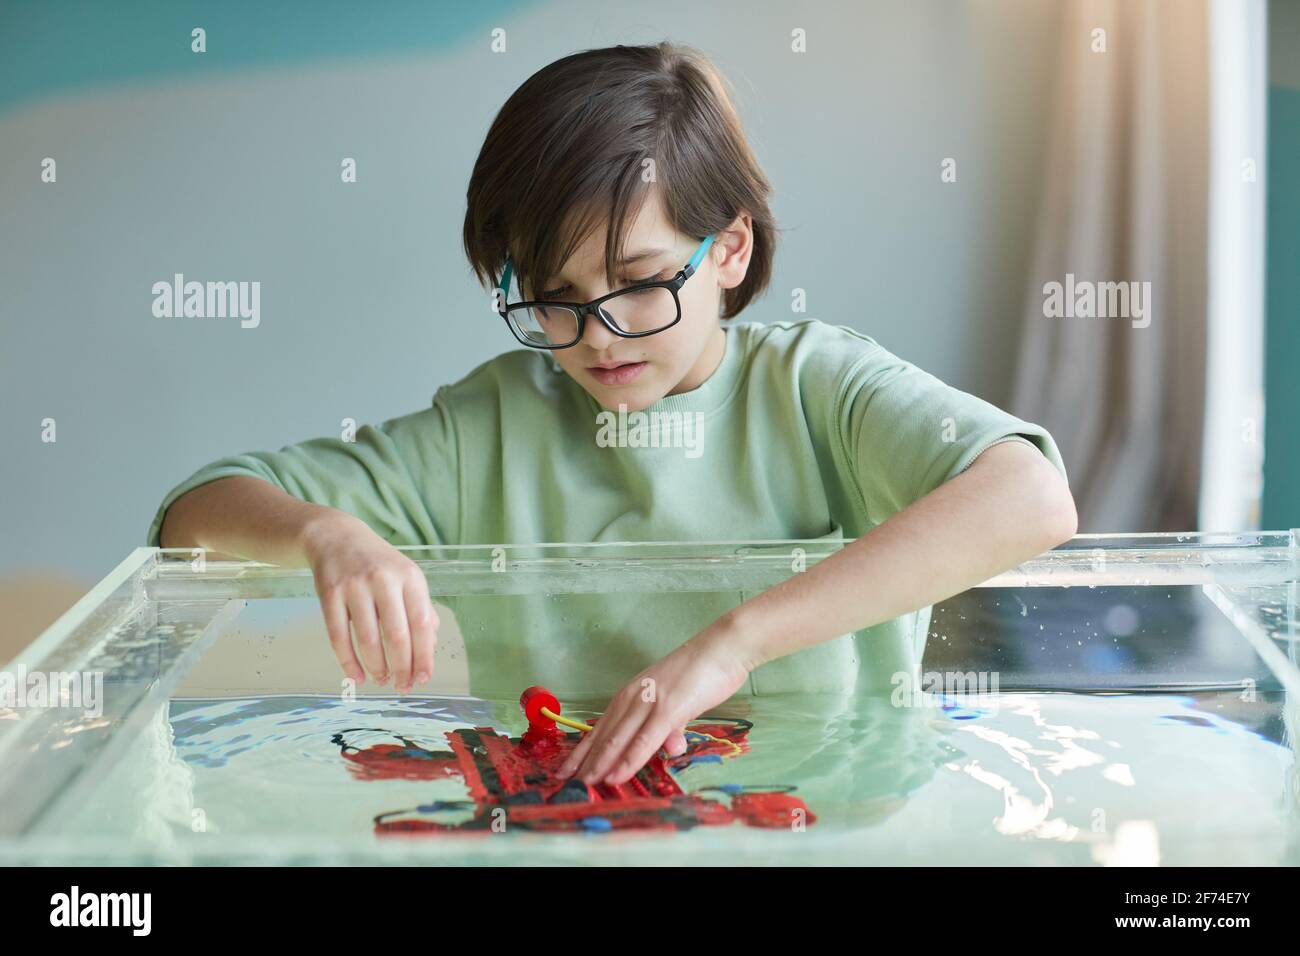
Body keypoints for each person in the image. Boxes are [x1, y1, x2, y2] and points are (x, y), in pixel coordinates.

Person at [148, 41, 1076, 789]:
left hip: (835, 822)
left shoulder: (819, 386)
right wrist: (326, 534)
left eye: (638, 283)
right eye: (555, 297)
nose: (599, 335)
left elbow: (1030, 499)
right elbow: (196, 512)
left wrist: (733, 646)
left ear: (730, 249)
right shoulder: (493, 427)